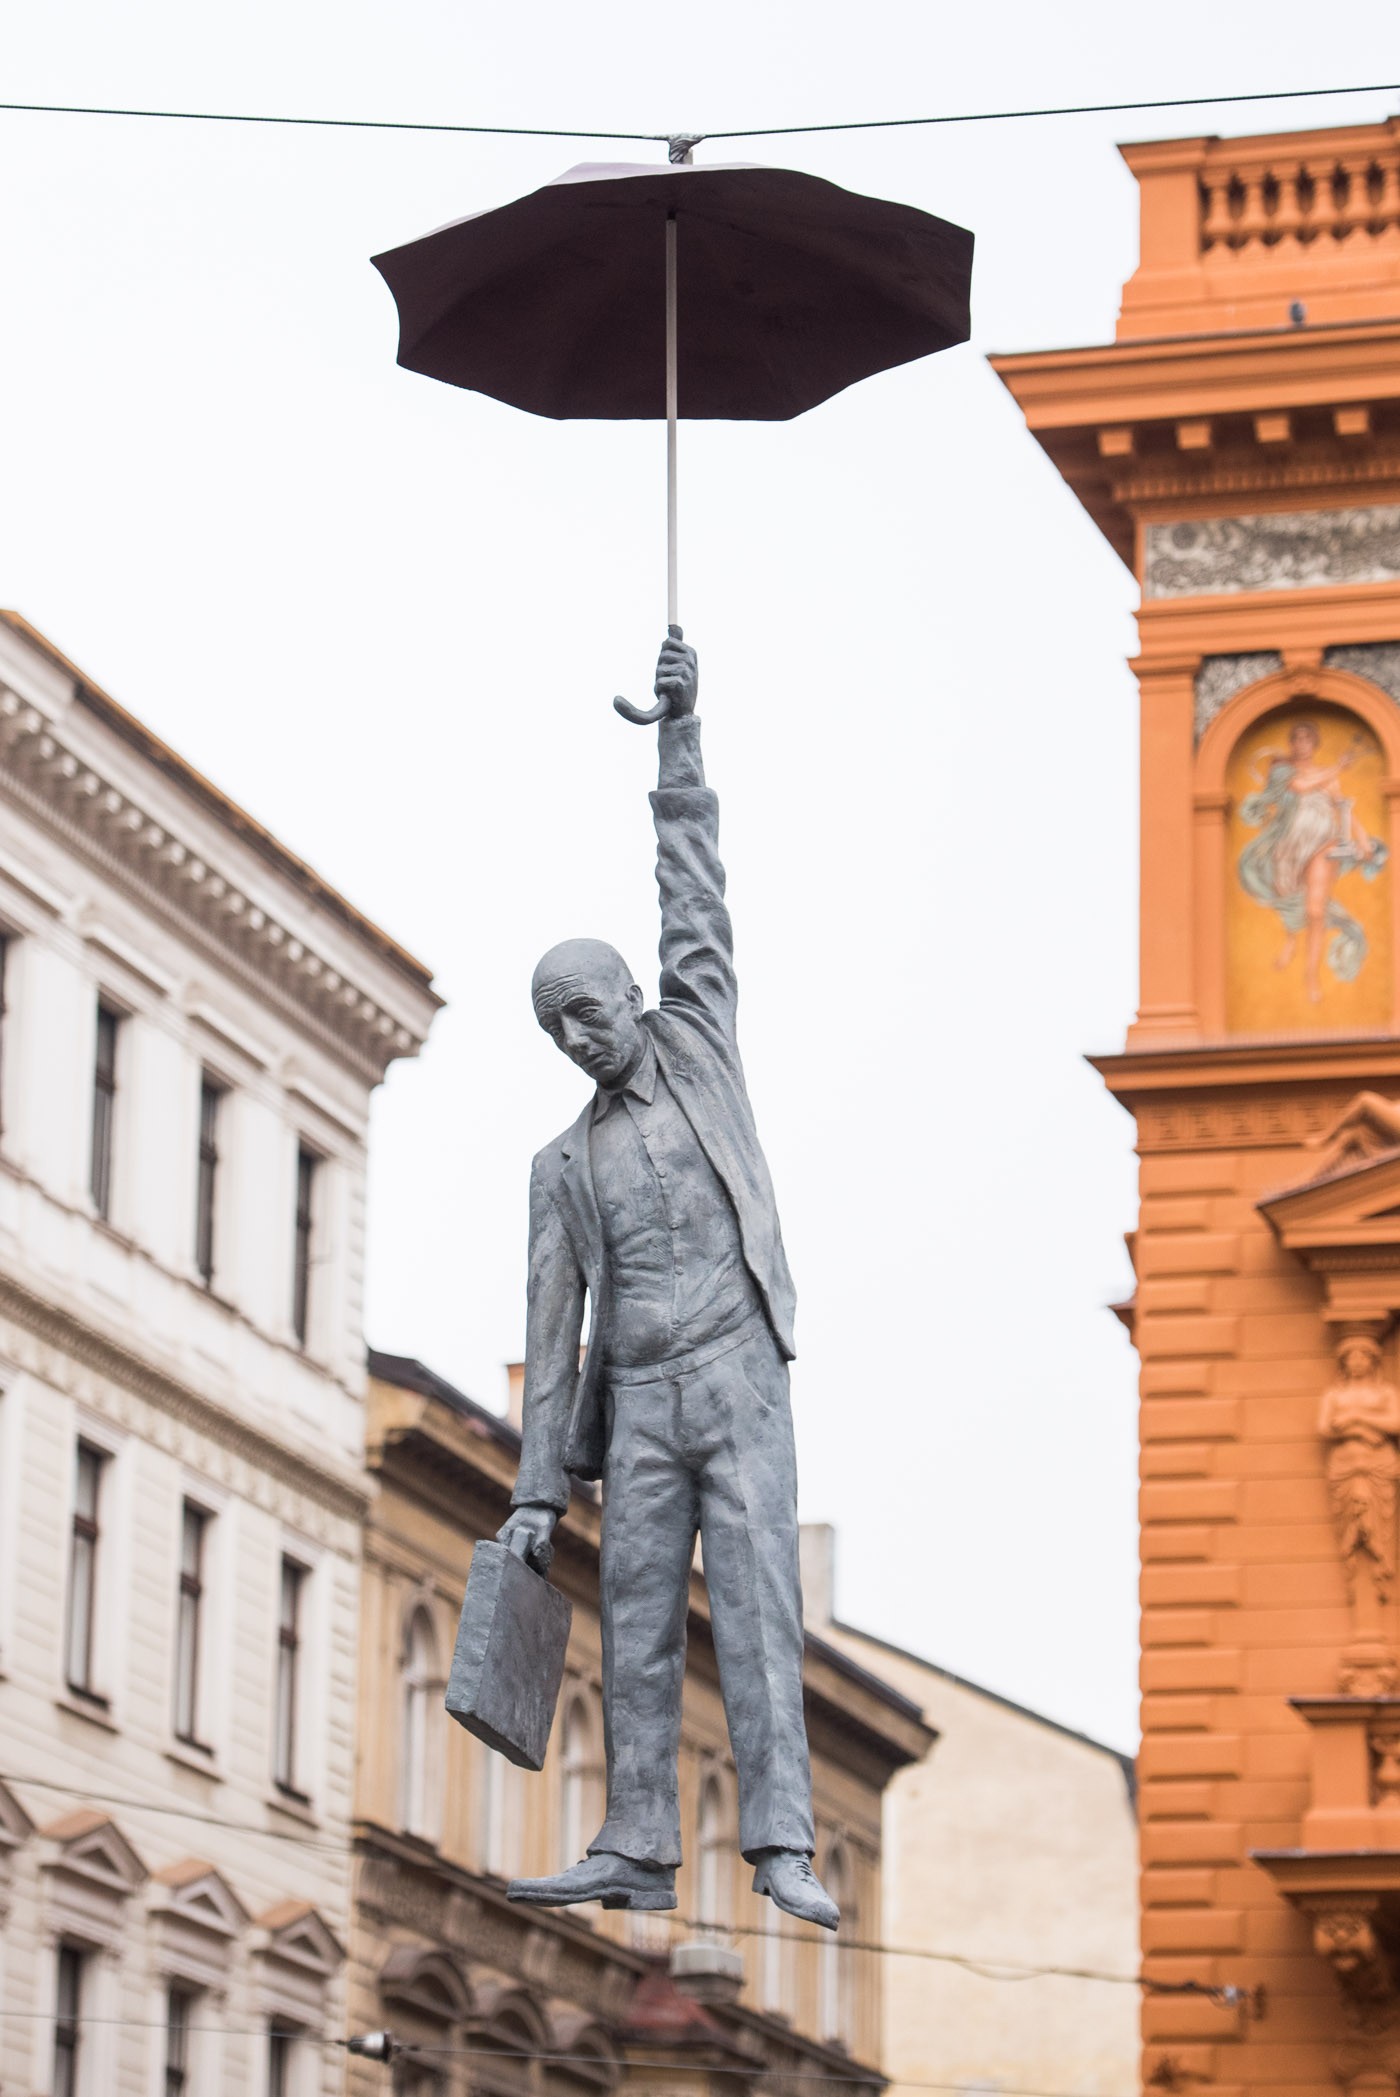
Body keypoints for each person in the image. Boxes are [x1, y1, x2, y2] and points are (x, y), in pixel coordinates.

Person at [497, 630, 837, 1930]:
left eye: (589, 1009)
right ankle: (635, 1838)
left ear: (633, 994)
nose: (580, 1037)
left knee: (758, 1605)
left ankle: (783, 1838)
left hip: (736, 1370)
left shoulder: (700, 1045)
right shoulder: (558, 1166)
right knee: (632, 1620)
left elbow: (696, 891)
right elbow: (548, 1325)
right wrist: (538, 1490)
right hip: (635, 1397)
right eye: (557, 1028)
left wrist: (678, 745)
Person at [1238, 719, 1386, 1003]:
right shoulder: (1282, 770)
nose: (1301, 743)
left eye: (1307, 738)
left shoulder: (1327, 776)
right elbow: (1301, 786)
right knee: (1290, 899)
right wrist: (1339, 767)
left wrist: (1363, 838)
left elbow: (1342, 806)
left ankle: (1311, 974)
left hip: (1323, 843)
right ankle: (1292, 938)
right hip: (1289, 846)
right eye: (1296, 737)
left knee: (1315, 910)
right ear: (1291, 742)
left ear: (1314, 744)